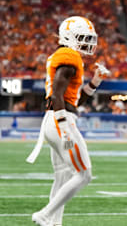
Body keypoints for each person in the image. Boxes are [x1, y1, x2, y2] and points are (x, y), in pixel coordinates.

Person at [29, 16, 110, 226]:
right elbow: (56, 95)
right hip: (60, 120)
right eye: (82, 37)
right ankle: (45, 215)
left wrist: (95, 82)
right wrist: (64, 127)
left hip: (55, 118)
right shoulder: (68, 55)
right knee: (84, 174)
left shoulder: (71, 56)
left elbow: (74, 99)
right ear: (68, 37)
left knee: (63, 176)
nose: (87, 42)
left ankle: (54, 222)